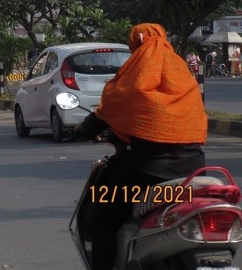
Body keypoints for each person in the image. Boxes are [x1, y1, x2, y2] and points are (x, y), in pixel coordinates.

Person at [75, 23, 207, 270]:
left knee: (105, 219)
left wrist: (84, 129)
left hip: (147, 175)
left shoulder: (136, 73)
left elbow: (114, 104)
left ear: (134, 44)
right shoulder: (180, 69)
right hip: (193, 173)